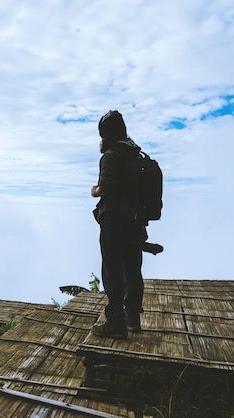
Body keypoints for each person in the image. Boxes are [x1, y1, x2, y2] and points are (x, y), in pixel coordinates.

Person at [91, 110, 145, 338]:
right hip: (135, 221)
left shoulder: (112, 156)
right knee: (133, 269)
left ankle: (115, 323)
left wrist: (95, 191)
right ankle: (133, 318)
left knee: (113, 272)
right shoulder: (136, 155)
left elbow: (107, 187)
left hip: (114, 222)